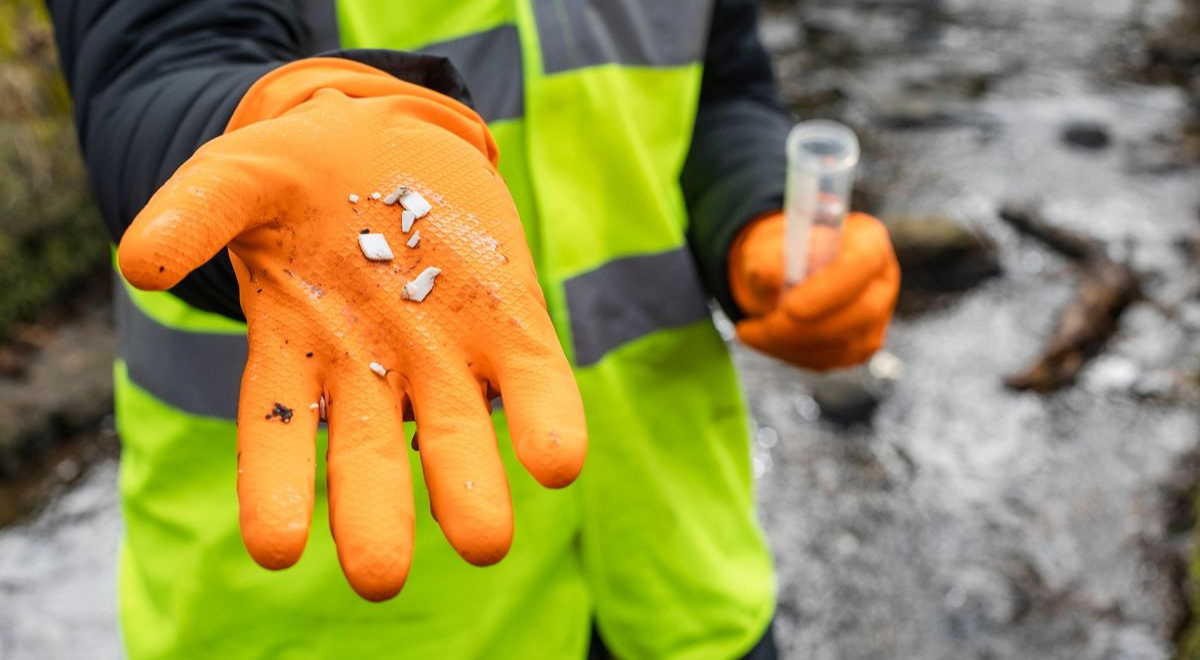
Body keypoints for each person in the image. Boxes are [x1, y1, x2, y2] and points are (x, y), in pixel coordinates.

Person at [45, 0, 899, 658]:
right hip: (338, 618)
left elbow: (722, 81)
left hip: (683, 582)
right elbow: (153, 58)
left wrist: (747, 221)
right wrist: (280, 117)